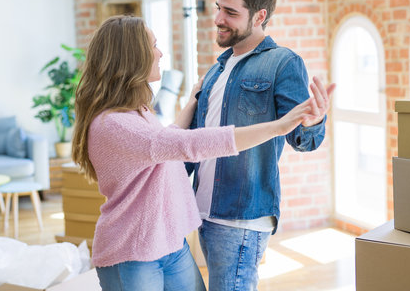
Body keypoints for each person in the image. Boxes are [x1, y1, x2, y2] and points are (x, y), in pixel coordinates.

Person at [71, 15, 330, 291]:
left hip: (168, 242)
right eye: (154, 46)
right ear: (131, 57)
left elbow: (163, 142)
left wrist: (193, 100)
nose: (160, 53)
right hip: (132, 251)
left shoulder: (137, 112)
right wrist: (277, 127)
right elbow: (184, 145)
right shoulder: (111, 123)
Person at [187, 0, 336, 290]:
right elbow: (195, 143)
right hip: (202, 210)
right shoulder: (217, 70)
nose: (218, 19)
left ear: (260, 16)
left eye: (230, 12)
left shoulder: (282, 62)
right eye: (218, 8)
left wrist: (313, 122)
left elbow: (303, 139)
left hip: (241, 216)